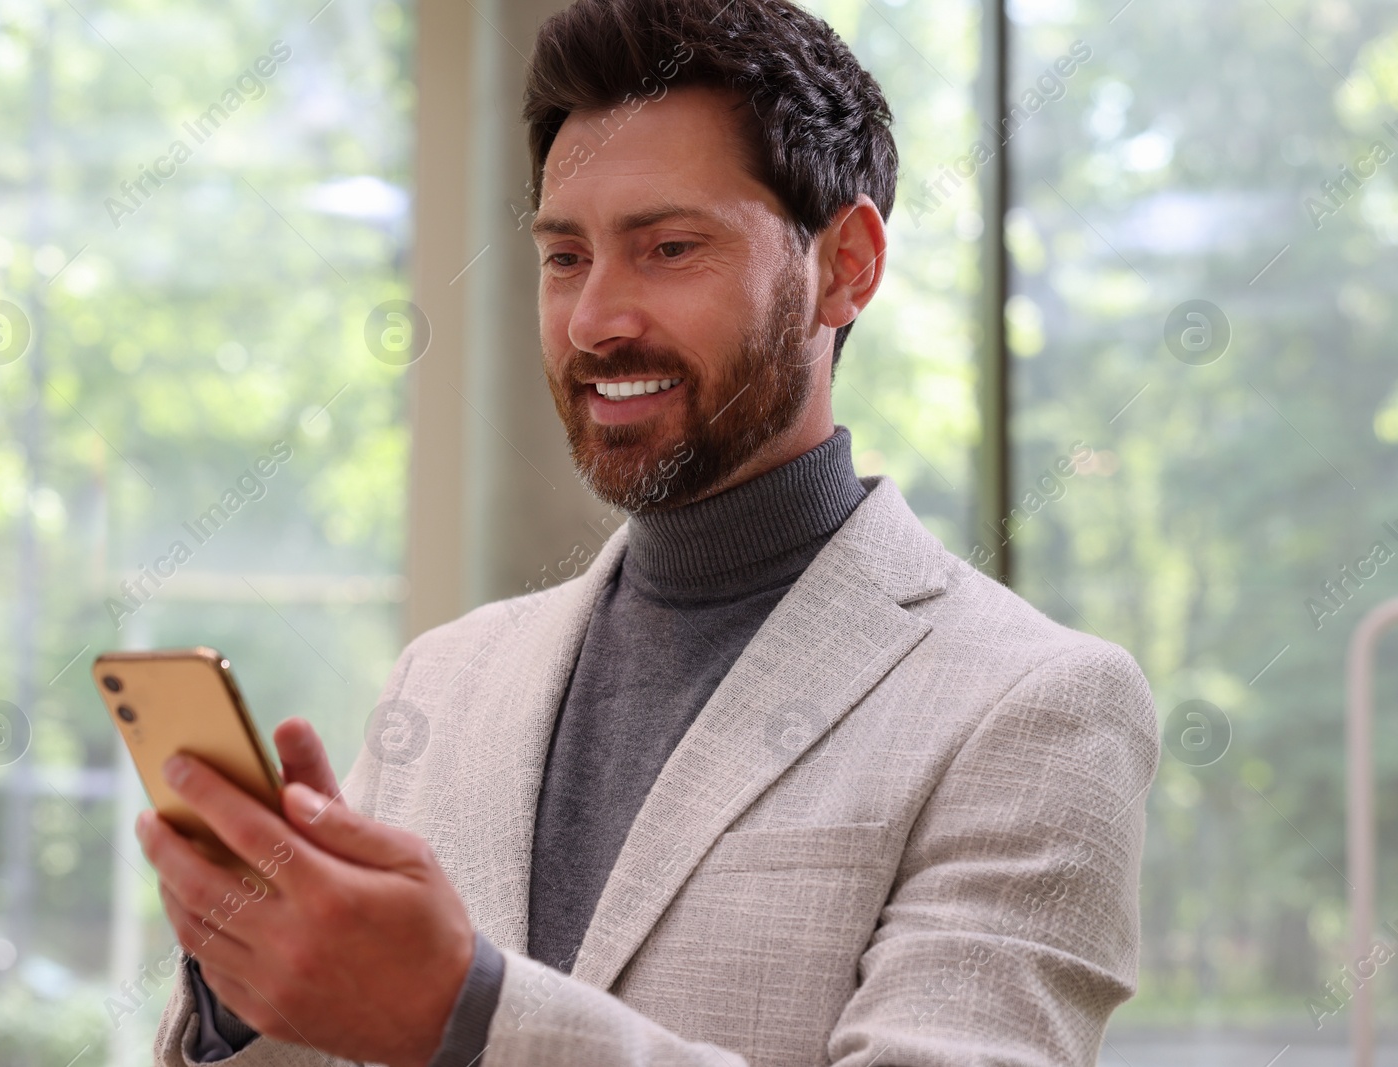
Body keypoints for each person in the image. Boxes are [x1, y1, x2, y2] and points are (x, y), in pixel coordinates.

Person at [137, 0, 1160, 1063]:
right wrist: (255, 990)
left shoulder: (1036, 703)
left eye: (667, 248)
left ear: (846, 265)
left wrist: (471, 1010)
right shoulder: (441, 681)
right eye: (565, 256)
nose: (594, 319)